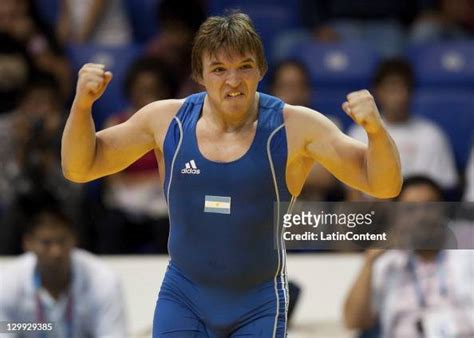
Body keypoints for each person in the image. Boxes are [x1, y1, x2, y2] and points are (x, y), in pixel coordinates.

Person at [61, 12, 402, 337]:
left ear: (261, 70)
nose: (234, 81)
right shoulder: (165, 121)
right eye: (220, 69)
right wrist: (81, 106)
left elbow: (384, 185)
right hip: (184, 298)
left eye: (244, 67)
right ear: (199, 74)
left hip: (258, 304)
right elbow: (80, 167)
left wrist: (375, 131)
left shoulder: (295, 126)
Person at [343, 176, 474, 337]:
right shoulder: (387, 262)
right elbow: (353, 321)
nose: (422, 216)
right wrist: (370, 261)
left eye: (430, 206)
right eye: (411, 209)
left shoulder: (467, 251)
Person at [0, 205, 127, 337]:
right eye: (46, 243)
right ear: (27, 243)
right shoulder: (7, 283)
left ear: (74, 239)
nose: (56, 252)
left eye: (62, 241)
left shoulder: (102, 281)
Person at [347, 58, 458, 191]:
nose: (400, 97)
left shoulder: (432, 135)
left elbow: (442, 188)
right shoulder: (358, 133)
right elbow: (352, 192)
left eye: (405, 89)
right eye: (392, 89)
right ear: (377, 92)